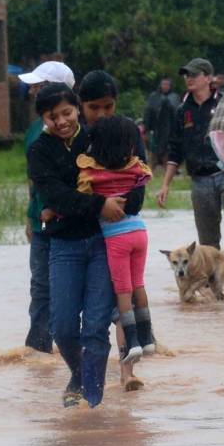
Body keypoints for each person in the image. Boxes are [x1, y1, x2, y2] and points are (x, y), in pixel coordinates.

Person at [27, 81, 127, 408]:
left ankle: (91, 403)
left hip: (102, 242)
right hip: (64, 247)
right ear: (44, 118)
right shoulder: (39, 151)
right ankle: (80, 374)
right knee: (63, 328)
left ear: (77, 108)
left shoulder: (95, 139)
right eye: (51, 116)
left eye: (67, 112)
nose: (61, 121)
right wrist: (98, 203)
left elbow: (124, 178)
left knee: (96, 328)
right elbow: (54, 195)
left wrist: (69, 205)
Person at [77, 70, 152, 391]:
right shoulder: (78, 137)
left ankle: (127, 373)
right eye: (94, 108)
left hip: (120, 229)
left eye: (108, 107)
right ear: (81, 106)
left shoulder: (126, 133)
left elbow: (140, 179)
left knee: (125, 301)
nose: (102, 114)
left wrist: (120, 203)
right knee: (99, 308)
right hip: (89, 234)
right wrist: (100, 204)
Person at [156, 57, 224, 281]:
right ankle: (212, 286)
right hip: (199, 179)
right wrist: (165, 185)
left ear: (208, 79)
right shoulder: (182, 111)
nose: (189, 78)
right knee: (208, 239)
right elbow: (175, 151)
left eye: (194, 74)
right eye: (186, 75)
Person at [68, 116, 156, 367]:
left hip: (116, 238)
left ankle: (133, 342)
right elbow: (145, 175)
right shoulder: (136, 167)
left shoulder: (92, 172)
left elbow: (82, 195)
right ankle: (148, 338)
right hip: (139, 231)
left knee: (123, 291)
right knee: (138, 283)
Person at [16, 60, 75, 353]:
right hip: (40, 220)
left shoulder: (76, 130)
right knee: (40, 284)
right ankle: (38, 348)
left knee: (76, 284)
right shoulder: (33, 130)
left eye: (37, 86)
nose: (31, 92)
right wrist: (30, 216)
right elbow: (32, 177)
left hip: (70, 219)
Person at [142, 76, 179, 169]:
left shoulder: (174, 97)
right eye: (163, 84)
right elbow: (148, 112)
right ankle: (151, 168)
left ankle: (167, 168)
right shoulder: (154, 96)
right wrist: (146, 127)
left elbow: (176, 113)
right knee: (153, 148)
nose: (165, 86)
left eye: (167, 84)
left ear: (170, 86)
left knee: (168, 149)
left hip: (169, 128)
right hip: (155, 128)